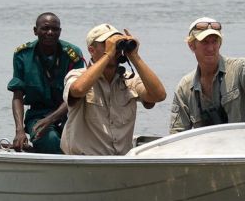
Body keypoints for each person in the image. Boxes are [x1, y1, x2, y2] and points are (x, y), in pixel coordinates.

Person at [168, 17, 245, 134]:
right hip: (208, 147)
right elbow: (177, 134)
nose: (210, 48)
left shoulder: (237, 69)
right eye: (205, 42)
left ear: (220, 44)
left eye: (214, 41)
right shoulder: (184, 87)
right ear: (191, 45)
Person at [61, 24, 167, 155]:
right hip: (85, 161)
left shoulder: (129, 80)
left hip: (120, 162)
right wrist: (108, 55)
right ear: (91, 50)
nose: (114, 49)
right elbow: (78, 90)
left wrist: (134, 56)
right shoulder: (77, 75)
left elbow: (159, 95)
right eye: (107, 44)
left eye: (116, 45)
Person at [8, 12, 85, 153]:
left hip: (69, 114)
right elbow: (17, 95)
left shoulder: (72, 55)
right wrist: (19, 130)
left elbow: (75, 95)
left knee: (83, 143)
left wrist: (51, 119)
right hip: (38, 115)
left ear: (60, 31)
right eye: (45, 28)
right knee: (50, 140)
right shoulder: (23, 55)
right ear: (35, 31)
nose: (50, 32)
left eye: (55, 29)